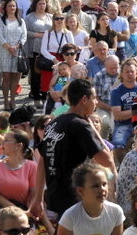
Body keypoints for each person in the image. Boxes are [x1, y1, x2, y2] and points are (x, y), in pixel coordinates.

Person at [32, 80, 115, 221]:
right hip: (76, 197)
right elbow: (106, 160)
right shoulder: (80, 125)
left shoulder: (54, 123)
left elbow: (42, 162)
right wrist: (93, 130)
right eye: (94, 98)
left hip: (55, 196)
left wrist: (38, 197)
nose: (96, 102)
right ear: (84, 99)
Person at [0, 0, 27, 111]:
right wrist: (9, 47)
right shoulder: (1, 20)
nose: (12, 8)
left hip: (17, 52)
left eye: (14, 6)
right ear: (5, 8)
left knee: (16, 77)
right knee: (6, 77)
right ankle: (5, 101)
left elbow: (24, 36)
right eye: (10, 6)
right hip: (4, 52)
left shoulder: (21, 21)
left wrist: (16, 47)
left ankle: (12, 100)